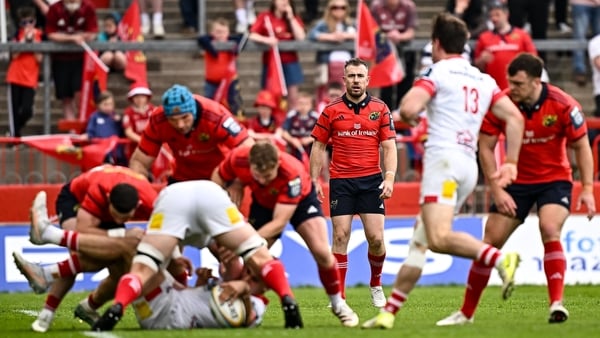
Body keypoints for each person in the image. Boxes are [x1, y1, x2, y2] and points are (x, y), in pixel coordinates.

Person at [361, 13, 525, 329]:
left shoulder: (437, 72)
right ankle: (388, 314)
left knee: (437, 237)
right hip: (467, 166)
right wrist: (511, 162)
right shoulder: (484, 79)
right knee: (420, 242)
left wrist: (409, 118)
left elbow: (409, 108)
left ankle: (499, 258)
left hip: (443, 163)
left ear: (436, 44)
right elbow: (515, 119)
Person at [436, 53, 596, 326]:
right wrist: (497, 190)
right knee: (490, 243)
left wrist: (588, 187)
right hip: (514, 183)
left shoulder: (563, 104)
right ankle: (466, 313)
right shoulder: (503, 103)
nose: (512, 88)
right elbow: (484, 146)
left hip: (554, 180)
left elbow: (581, 145)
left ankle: (556, 303)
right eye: (510, 81)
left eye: (518, 83)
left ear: (536, 81)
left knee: (549, 228)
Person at [92, 180, 304, 331]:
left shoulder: (255, 301)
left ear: (265, 288)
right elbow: (250, 267)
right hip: (210, 195)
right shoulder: (235, 274)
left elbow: (244, 317)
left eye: (254, 278)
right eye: (250, 272)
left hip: (181, 194)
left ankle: (109, 304)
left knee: (140, 262)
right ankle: (288, 299)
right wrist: (237, 285)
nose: (247, 277)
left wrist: (245, 290)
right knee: (259, 256)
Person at [211, 142, 359, 327]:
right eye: (258, 175)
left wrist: (241, 245)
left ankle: (338, 304)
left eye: (268, 176)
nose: (263, 180)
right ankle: (246, 309)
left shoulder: (291, 172)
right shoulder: (238, 158)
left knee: (322, 252)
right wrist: (232, 189)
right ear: (250, 165)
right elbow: (217, 178)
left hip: (301, 203)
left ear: (278, 164)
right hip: (263, 203)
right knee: (251, 264)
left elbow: (279, 223)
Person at [13, 164, 158, 333]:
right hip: (75, 199)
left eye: (124, 218)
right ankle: (47, 312)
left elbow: (165, 234)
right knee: (88, 251)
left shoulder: (151, 201)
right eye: (116, 215)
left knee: (120, 266)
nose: (118, 221)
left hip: (109, 200)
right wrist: (122, 235)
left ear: (138, 205)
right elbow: (83, 232)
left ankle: (82, 303)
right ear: (108, 199)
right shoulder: (100, 189)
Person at [310, 57, 398, 307]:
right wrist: (314, 179)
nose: (356, 81)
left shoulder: (380, 109)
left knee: (377, 239)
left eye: (360, 76)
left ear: (368, 80)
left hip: (371, 181)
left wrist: (389, 178)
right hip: (342, 182)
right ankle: (339, 296)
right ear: (344, 79)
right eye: (351, 76)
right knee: (340, 236)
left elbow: (389, 147)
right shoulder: (331, 110)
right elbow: (318, 146)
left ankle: (376, 284)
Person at [128, 84, 254, 183]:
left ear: (193, 111)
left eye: (185, 117)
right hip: (183, 178)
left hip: (220, 176)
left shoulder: (216, 116)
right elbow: (139, 162)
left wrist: (238, 182)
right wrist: (140, 186)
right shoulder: (158, 120)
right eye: (173, 119)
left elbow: (249, 148)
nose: (180, 125)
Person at [45, 0, 98, 120]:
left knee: (80, 92)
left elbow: (92, 32)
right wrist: (72, 38)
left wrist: (80, 36)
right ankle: (71, 128)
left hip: (81, 59)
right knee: (65, 96)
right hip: (60, 59)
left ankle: (83, 123)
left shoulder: (88, 7)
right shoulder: (55, 9)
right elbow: (51, 34)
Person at [249, 0, 306, 109]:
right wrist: (266, 40)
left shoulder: (293, 18)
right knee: (269, 96)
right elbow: (252, 35)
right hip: (271, 63)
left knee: (293, 97)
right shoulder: (265, 16)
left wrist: (291, 18)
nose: (283, 2)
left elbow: (301, 37)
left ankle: (290, 122)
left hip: (290, 62)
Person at [474, 1, 538, 90]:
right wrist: (482, 60)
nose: (494, 18)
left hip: (518, 88)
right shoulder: (484, 37)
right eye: (492, 16)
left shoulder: (522, 35)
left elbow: (533, 59)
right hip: (493, 88)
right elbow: (476, 65)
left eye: (497, 15)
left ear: (506, 14)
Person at [307, 0, 355, 105]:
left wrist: (346, 35)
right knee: (326, 91)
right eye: (335, 7)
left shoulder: (351, 23)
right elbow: (311, 34)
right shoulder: (323, 24)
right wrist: (331, 37)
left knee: (348, 90)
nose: (339, 10)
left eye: (342, 7)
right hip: (328, 64)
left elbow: (364, 34)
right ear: (330, 9)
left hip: (348, 65)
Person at [6, 6, 42, 139]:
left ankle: (14, 131)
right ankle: (14, 138)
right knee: (14, 110)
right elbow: (14, 56)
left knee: (28, 110)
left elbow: (39, 58)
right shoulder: (17, 35)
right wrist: (23, 42)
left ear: (35, 21)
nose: (28, 25)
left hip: (30, 78)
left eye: (30, 21)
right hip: (15, 76)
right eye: (24, 23)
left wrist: (33, 43)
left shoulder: (39, 35)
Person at [197, 18, 245, 119]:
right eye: (218, 32)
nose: (221, 35)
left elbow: (242, 37)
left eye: (224, 32)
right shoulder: (209, 43)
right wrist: (212, 48)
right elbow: (201, 39)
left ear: (228, 33)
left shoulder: (232, 45)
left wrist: (229, 39)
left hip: (229, 84)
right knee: (209, 107)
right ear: (212, 32)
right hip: (211, 83)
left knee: (231, 108)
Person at [83, 91, 127, 166]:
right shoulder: (94, 117)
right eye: (105, 104)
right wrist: (88, 136)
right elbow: (90, 131)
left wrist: (120, 122)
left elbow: (123, 133)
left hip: (116, 151)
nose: (108, 107)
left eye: (110, 104)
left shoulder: (116, 118)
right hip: (100, 150)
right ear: (98, 105)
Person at [281, 91, 319, 160]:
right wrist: (292, 140)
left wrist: (310, 139)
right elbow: (284, 132)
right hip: (294, 147)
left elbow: (322, 134)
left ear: (311, 105)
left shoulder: (315, 117)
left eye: (306, 104)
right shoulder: (292, 115)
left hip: (310, 148)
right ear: (297, 104)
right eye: (301, 103)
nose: (303, 106)